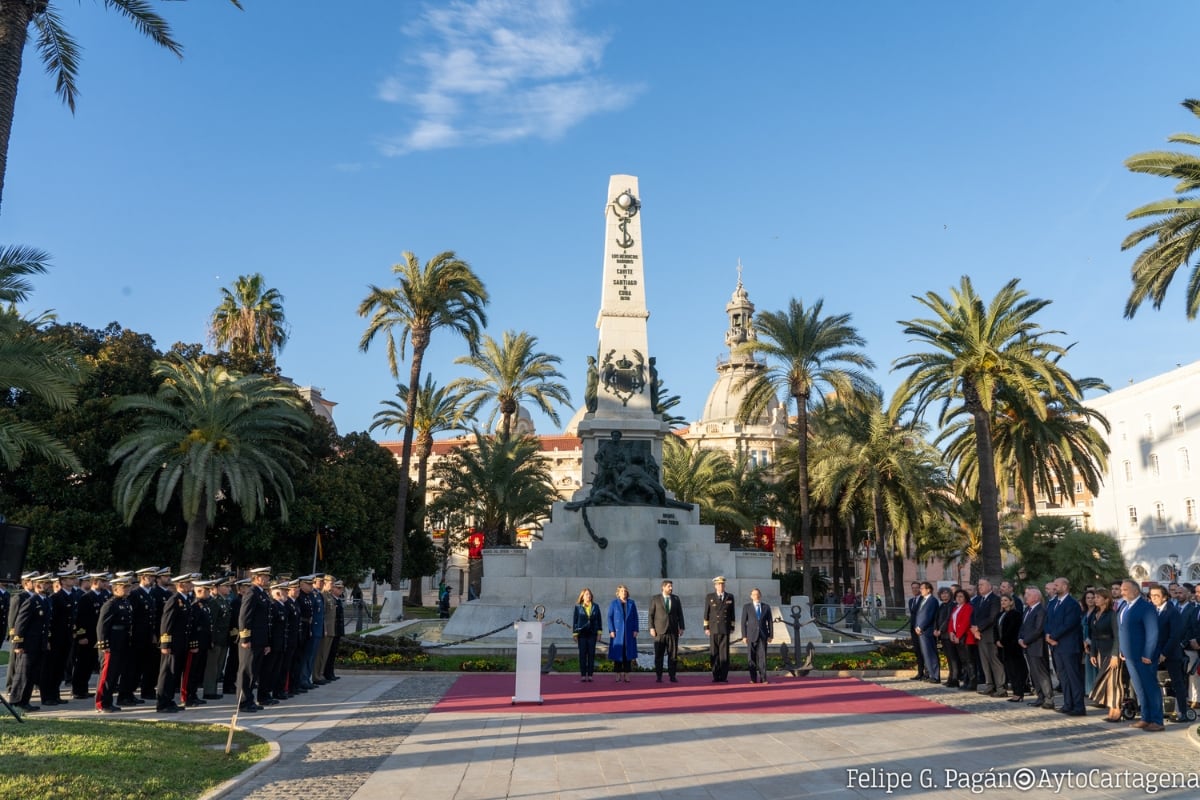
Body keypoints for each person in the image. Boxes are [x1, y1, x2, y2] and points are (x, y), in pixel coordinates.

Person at [1117, 579, 1163, 731]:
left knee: (1150, 688)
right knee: (1139, 688)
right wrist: (1122, 650)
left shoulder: (1146, 607)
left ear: (1136, 591)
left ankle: (1157, 720)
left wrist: (1148, 653)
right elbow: (1122, 630)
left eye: (1125, 589)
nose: (1122, 592)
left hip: (1143, 656)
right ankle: (1145, 717)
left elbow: (1153, 632)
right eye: (1121, 589)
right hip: (1129, 655)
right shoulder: (1124, 606)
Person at [9, 572, 53, 712]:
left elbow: (45, 625)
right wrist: (18, 644)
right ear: (37, 585)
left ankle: (25, 700)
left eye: (48, 583)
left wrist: (45, 641)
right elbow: (20, 624)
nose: (47, 586)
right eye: (45, 583)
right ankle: (17, 700)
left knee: (32, 674)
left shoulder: (44, 600)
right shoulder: (32, 601)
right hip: (28, 644)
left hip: (38, 643)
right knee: (24, 673)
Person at [1148, 584, 1189, 723]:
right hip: (1155, 653)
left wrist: (1164, 653)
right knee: (1154, 682)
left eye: (1157, 596)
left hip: (1170, 653)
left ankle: (1182, 712)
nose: (1154, 598)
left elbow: (1174, 635)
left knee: (1177, 683)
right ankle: (1158, 711)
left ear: (1164, 596)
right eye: (1152, 596)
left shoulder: (1172, 611)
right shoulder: (1153, 611)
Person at [1045, 576, 1085, 716]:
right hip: (1056, 646)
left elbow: (1069, 624)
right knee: (1063, 677)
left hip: (1068, 645)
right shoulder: (1052, 603)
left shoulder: (1072, 604)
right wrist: (1048, 636)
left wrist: (1054, 637)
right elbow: (1048, 621)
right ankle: (1068, 704)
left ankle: (1079, 706)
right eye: (1054, 585)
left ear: (1065, 586)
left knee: (1073, 676)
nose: (1054, 587)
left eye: (1057, 585)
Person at [156, 573, 195, 714]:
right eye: (189, 583)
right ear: (181, 585)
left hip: (181, 643)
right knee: (168, 673)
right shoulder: (174, 600)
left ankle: (170, 699)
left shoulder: (186, 600)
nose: (192, 585)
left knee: (175, 673)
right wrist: (165, 644)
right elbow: (166, 624)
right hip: (172, 644)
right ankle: (162, 702)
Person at [95, 575, 134, 713]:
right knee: (107, 674)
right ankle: (102, 703)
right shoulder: (110, 604)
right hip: (111, 643)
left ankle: (108, 700)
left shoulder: (125, 603)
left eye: (128, 586)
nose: (128, 589)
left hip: (121, 642)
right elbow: (102, 626)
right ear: (115, 589)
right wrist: (104, 644)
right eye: (125, 587)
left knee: (115, 674)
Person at [237, 566, 273, 713]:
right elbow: (244, 617)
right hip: (250, 640)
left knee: (254, 671)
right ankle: (243, 701)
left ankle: (250, 699)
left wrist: (266, 642)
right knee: (246, 671)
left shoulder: (262, 594)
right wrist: (245, 638)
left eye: (267, 577)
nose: (267, 579)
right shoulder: (251, 593)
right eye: (264, 577)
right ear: (257, 577)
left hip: (259, 640)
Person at [1087, 588, 1126, 722]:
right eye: (1095, 597)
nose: (1095, 599)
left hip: (1111, 651)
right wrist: (1092, 652)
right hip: (1100, 651)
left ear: (1106, 599)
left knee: (1113, 682)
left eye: (1098, 597)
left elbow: (1117, 636)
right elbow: (1093, 634)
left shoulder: (1112, 615)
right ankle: (1111, 709)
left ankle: (1117, 710)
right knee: (1107, 682)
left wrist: (1115, 655)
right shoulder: (1095, 614)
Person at [1018, 587, 1054, 710]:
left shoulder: (1040, 610)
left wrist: (1025, 640)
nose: (1026, 596)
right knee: (1034, 673)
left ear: (1036, 597)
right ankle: (1040, 696)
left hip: (1036, 646)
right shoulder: (1027, 610)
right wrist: (1020, 639)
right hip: (1027, 647)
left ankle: (1048, 698)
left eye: (1028, 594)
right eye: (1026, 594)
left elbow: (1038, 630)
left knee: (1042, 673)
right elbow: (1022, 627)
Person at [971, 578, 1005, 697]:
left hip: (990, 635)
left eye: (982, 585)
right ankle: (989, 685)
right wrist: (974, 628)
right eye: (978, 585)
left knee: (994, 661)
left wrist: (978, 628)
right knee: (985, 662)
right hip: (980, 635)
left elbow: (992, 617)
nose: (979, 587)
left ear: (989, 586)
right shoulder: (978, 600)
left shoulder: (995, 599)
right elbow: (974, 615)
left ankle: (1000, 687)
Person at [648, 579, 685, 683]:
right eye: (669, 586)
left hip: (673, 631)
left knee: (673, 655)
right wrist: (651, 628)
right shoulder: (655, 599)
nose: (671, 588)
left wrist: (681, 627)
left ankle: (672, 676)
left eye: (671, 586)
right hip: (659, 632)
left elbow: (680, 614)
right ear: (663, 587)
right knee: (659, 655)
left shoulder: (676, 599)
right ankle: (659, 676)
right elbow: (651, 615)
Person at [703, 576, 736, 683]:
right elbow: (706, 613)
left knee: (724, 653)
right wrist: (706, 627)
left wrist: (732, 627)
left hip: (725, 628)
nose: (721, 586)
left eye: (722, 584)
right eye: (719, 584)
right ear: (715, 585)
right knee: (714, 652)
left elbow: (732, 614)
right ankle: (716, 675)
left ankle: (724, 676)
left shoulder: (730, 596)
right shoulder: (710, 597)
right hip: (713, 628)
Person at [996, 594, 1026, 702]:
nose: (1003, 602)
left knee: (1016, 670)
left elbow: (1012, 630)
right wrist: (997, 640)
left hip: (1012, 647)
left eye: (1005, 600)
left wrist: (1003, 641)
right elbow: (997, 629)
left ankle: (1019, 693)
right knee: (1009, 671)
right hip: (1002, 647)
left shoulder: (1015, 614)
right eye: (1001, 600)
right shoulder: (1000, 614)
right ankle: (1015, 692)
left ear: (1011, 602)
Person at [740, 587, 773, 684]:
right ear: (751, 596)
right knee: (751, 657)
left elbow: (770, 622)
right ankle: (753, 678)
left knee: (762, 657)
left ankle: (763, 678)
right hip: (751, 636)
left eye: (758, 594)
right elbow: (743, 622)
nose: (756, 596)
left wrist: (770, 635)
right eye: (754, 594)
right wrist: (744, 636)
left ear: (760, 595)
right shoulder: (747, 607)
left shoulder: (766, 607)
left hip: (763, 635)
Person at [606, 584, 638, 682]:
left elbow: (635, 617)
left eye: (625, 591)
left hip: (629, 633)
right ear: (618, 593)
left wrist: (636, 629)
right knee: (618, 654)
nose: (624, 593)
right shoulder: (614, 603)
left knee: (627, 654)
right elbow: (609, 617)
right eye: (622, 591)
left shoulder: (631, 603)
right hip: (617, 633)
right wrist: (611, 630)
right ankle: (618, 674)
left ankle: (627, 674)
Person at [946, 588, 975, 691]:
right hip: (957, 637)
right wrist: (951, 632)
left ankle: (972, 682)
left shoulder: (968, 607)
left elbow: (965, 622)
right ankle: (966, 681)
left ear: (965, 598)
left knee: (969, 660)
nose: (958, 598)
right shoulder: (956, 608)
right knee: (963, 661)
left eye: (961, 596)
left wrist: (958, 635)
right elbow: (951, 621)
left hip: (965, 637)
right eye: (957, 596)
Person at [572, 587, 602, 682]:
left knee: (591, 654)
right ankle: (583, 675)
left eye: (589, 594)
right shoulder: (578, 607)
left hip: (592, 633)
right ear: (582, 596)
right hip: (582, 634)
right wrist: (575, 634)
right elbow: (575, 621)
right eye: (586, 594)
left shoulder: (595, 606)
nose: (588, 596)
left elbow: (599, 620)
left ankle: (590, 675)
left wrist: (599, 633)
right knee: (582, 655)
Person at [913, 581, 940, 684]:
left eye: (922, 588)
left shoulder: (932, 601)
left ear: (929, 590)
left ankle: (935, 676)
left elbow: (929, 616)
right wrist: (916, 626)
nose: (920, 590)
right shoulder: (922, 600)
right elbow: (918, 614)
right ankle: (929, 674)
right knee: (925, 654)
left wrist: (921, 627)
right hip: (920, 631)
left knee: (931, 653)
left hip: (927, 630)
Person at [933, 588, 956, 686]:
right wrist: (935, 629)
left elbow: (948, 619)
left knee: (953, 658)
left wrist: (940, 630)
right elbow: (936, 618)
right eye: (942, 594)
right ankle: (950, 678)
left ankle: (954, 678)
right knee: (948, 658)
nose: (944, 595)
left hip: (948, 634)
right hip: (942, 635)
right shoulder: (941, 605)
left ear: (950, 595)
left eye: (946, 593)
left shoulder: (952, 605)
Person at [906, 582, 925, 680]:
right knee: (917, 651)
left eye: (917, 588)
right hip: (913, 629)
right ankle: (920, 672)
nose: (914, 590)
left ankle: (927, 673)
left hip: (921, 629)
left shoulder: (924, 600)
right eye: (913, 588)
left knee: (924, 651)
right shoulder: (911, 601)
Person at [1082, 588, 1098, 695]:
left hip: (1094, 642)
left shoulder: (1097, 612)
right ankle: (1090, 691)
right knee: (1088, 667)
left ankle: (1096, 691)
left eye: (1092, 598)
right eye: (1088, 598)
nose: (1090, 600)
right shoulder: (1084, 612)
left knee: (1095, 667)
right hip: (1084, 642)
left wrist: (1089, 642)